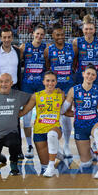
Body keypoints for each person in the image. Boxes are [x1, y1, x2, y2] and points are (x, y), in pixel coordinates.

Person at [18, 71, 66, 177]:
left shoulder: (60, 94)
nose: (50, 83)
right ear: (43, 82)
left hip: (54, 128)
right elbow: (24, 111)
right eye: (48, 80)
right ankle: (55, 153)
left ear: (56, 82)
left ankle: (53, 156)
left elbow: (66, 109)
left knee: (51, 135)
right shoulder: (36, 96)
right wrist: (10, 115)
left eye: (53, 81)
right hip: (39, 131)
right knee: (44, 166)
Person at [63, 65, 98, 179]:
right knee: (85, 163)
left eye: (93, 74)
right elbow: (63, 109)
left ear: (95, 76)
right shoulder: (73, 90)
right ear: (83, 74)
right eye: (88, 73)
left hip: (94, 121)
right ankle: (91, 154)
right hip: (80, 125)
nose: (90, 76)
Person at [45, 23, 75, 158]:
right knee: (54, 117)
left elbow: (75, 64)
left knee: (67, 116)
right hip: (55, 88)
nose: (60, 37)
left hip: (68, 86)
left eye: (62, 34)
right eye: (57, 35)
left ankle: (67, 145)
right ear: (53, 35)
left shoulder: (72, 48)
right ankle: (54, 146)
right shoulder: (49, 50)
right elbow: (47, 67)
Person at [20, 24, 47, 159]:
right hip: (27, 86)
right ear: (33, 34)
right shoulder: (25, 47)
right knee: (26, 118)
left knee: (43, 117)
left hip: (41, 86)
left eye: (41, 34)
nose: (39, 36)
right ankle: (29, 145)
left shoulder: (46, 48)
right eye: (37, 34)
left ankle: (44, 143)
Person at [74, 15, 98, 87]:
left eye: (91, 29)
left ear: (94, 30)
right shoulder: (77, 41)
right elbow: (74, 60)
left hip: (96, 75)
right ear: (82, 30)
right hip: (81, 75)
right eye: (86, 29)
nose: (88, 31)